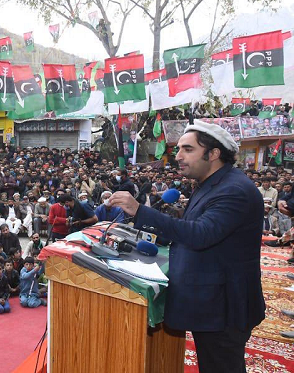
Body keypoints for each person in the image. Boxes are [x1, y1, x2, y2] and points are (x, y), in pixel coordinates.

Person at [110, 120, 265, 373]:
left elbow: (201, 234)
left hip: (224, 306)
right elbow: (196, 229)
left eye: (188, 149)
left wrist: (140, 211)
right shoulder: (212, 183)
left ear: (213, 154)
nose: (178, 157)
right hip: (212, 300)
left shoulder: (234, 190)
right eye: (179, 149)